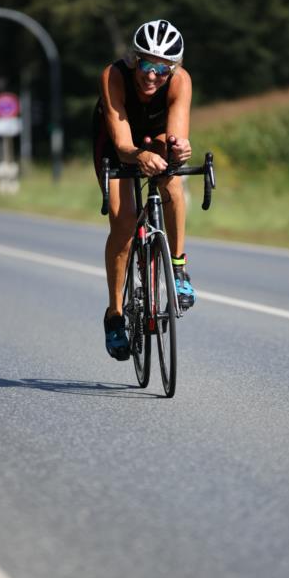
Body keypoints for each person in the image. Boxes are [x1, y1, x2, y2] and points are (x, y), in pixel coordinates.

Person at [93, 19, 195, 360]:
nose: (152, 76)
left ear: (173, 70)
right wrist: (140, 156)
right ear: (135, 59)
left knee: (172, 182)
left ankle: (178, 268)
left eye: (162, 70)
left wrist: (179, 150)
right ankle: (115, 314)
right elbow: (123, 145)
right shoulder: (114, 76)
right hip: (116, 142)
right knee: (123, 225)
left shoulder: (180, 82)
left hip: (156, 136)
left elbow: (176, 134)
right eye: (147, 65)